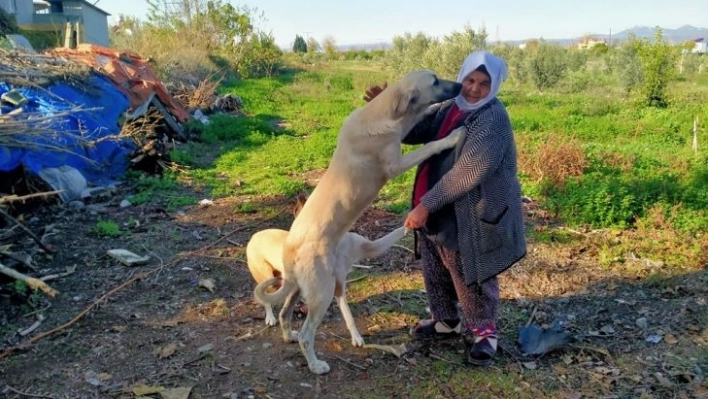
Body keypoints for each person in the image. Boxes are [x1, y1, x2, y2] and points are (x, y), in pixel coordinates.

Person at [364, 51, 526, 366]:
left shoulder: (491, 117)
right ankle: (445, 321)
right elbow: (414, 130)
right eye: (470, 80)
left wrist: (426, 205)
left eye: (483, 83)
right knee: (435, 266)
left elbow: (469, 171)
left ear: (493, 87)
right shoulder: (452, 107)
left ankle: (485, 332)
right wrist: (385, 107)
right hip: (438, 204)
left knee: (469, 272)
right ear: (462, 77)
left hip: (471, 211)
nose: (474, 89)